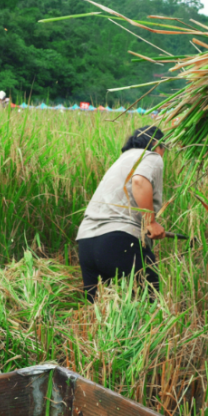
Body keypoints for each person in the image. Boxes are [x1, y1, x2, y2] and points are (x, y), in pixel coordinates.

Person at [77, 126, 166, 301]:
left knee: (97, 312)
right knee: (150, 304)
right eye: (164, 149)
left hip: (86, 242)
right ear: (157, 144)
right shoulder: (151, 156)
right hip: (116, 240)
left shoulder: (123, 158)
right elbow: (139, 181)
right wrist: (151, 222)